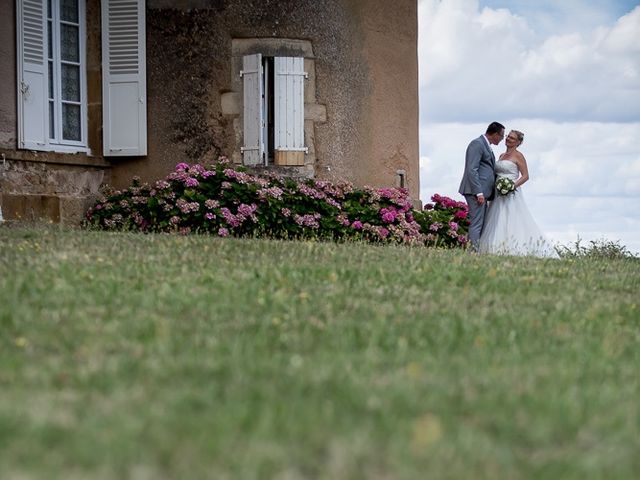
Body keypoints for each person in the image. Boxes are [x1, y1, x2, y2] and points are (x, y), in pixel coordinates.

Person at [478, 130, 559, 258]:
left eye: (512, 138)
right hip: (498, 192)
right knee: (496, 217)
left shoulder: (518, 156)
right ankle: (494, 248)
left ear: (518, 142)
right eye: (507, 136)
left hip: (511, 192)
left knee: (511, 217)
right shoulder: (501, 156)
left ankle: (514, 248)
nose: (508, 139)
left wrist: (511, 186)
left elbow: (526, 176)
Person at [458, 121, 505, 250]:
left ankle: (476, 248)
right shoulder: (477, 144)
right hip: (476, 191)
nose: (502, 139)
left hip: (483, 192)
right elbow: (471, 169)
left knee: (481, 223)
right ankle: (473, 251)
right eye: (501, 136)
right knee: (477, 223)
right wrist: (478, 192)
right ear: (495, 134)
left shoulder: (486, 145)